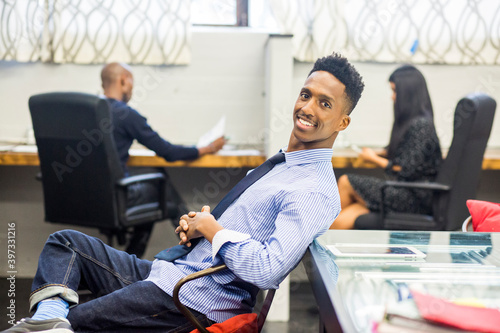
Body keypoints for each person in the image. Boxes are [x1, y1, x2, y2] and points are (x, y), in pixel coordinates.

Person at [2, 53, 364, 333]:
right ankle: (49, 321)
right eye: (306, 94)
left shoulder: (314, 189)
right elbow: (239, 232)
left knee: (76, 320)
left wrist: (213, 230)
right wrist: (201, 228)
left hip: (194, 299)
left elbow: (268, 269)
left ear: (343, 122)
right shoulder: (281, 166)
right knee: (65, 244)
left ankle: (52, 322)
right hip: (171, 273)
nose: (307, 108)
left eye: (324, 103)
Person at [100, 63, 226, 257]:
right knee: (160, 184)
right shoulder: (126, 115)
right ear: (123, 81)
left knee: (152, 197)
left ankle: (129, 264)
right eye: (132, 84)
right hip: (115, 196)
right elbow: (167, 152)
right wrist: (208, 148)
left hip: (85, 197)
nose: (132, 90)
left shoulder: (86, 111)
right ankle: (197, 247)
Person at [331, 64, 442, 229]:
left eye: (395, 91)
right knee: (351, 213)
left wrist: (373, 158)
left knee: (346, 181)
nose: (392, 97)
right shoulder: (417, 122)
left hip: (414, 198)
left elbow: (402, 169)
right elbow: (404, 155)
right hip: (406, 192)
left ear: (407, 94)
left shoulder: (421, 126)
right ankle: (322, 239)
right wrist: (379, 153)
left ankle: (316, 234)